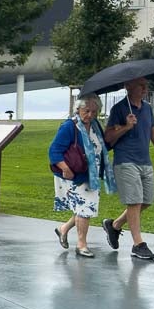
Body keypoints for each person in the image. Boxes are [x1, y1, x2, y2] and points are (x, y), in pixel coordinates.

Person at [102, 77, 154, 261]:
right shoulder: (118, 109)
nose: (145, 88)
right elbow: (108, 138)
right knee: (134, 202)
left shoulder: (147, 108)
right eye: (140, 85)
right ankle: (138, 245)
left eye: (145, 85)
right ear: (128, 87)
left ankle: (115, 225)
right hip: (125, 160)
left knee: (146, 201)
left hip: (145, 161)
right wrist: (126, 126)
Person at [49, 96, 115, 257]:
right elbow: (54, 151)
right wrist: (65, 168)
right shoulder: (69, 126)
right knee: (85, 208)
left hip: (90, 173)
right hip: (73, 174)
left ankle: (63, 229)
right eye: (86, 111)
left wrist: (124, 129)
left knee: (85, 208)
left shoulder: (94, 126)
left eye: (94, 111)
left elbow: (104, 145)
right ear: (78, 109)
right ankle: (81, 245)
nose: (90, 115)